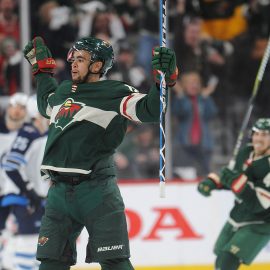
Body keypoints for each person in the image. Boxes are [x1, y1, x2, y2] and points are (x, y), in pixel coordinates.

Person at [23, 36, 178, 270]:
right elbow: (46, 105)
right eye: (73, 58)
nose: (74, 64)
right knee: (50, 262)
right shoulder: (65, 90)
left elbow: (150, 110)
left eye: (81, 59)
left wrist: (163, 82)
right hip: (58, 193)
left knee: (114, 262)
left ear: (97, 66)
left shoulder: (115, 92)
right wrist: (42, 73)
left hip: (97, 191)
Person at [197, 118, 270, 270]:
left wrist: (236, 181)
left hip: (261, 222)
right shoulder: (246, 152)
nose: (259, 138)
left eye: (264, 135)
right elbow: (230, 177)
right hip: (238, 215)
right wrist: (213, 182)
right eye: (256, 133)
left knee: (227, 260)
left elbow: (259, 204)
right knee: (220, 256)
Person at [0, 95, 49, 270]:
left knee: (36, 245)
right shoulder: (29, 133)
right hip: (23, 198)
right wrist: (29, 191)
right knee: (27, 244)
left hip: (33, 197)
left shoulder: (41, 133)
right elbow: (10, 165)